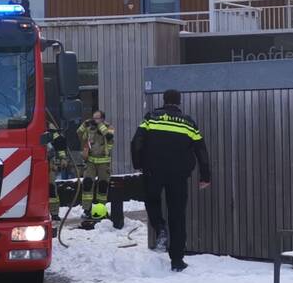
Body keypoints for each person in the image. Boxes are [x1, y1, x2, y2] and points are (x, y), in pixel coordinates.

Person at [131, 89, 210, 271]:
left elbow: (136, 142)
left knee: (152, 200)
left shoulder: (151, 118)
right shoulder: (188, 122)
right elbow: (201, 149)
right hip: (178, 175)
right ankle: (177, 260)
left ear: (164, 100)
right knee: (177, 215)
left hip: (153, 171)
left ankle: (160, 227)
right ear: (179, 102)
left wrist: (139, 164)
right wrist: (205, 176)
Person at [76, 110, 114, 222]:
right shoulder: (90, 128)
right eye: (94, 118)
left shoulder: (109, 127)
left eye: (97, 118)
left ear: (102, 119)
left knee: (103, 185)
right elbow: (79, 134)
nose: (95, 120)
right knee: (87, 183)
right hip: (91, 161)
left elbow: (109, 136)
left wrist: (100, 125)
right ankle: (87, 209)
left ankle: (101, 209)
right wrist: (84, 124)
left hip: (104, 162)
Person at [46, 120, 69, 221]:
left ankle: (54, 213)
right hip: (33, 163)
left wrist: (63, 158)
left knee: (51, 188)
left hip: (49, 164)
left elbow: (60, 144)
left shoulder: (49, 128)